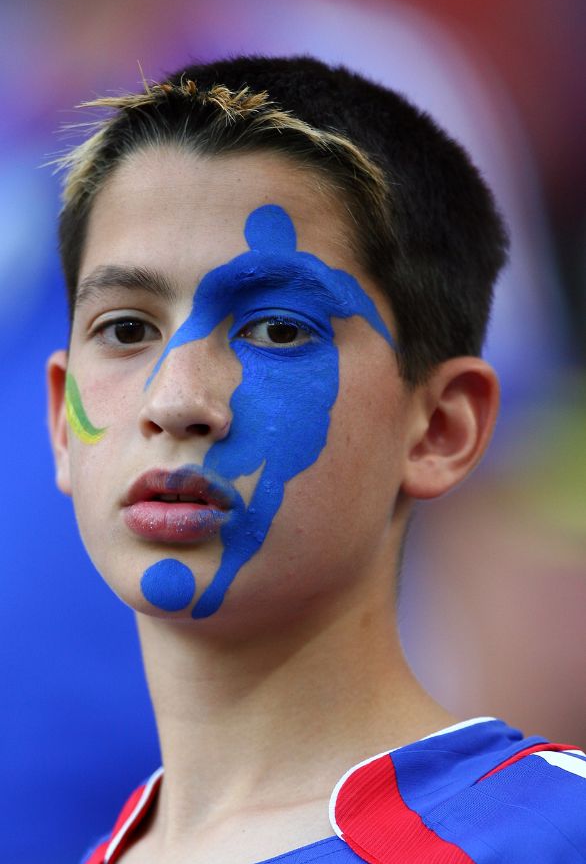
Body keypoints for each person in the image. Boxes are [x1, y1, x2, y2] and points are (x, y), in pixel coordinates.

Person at [47, 56, 586, 863]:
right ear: (62, 420)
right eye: (126, 329)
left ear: (440, 427)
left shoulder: (553, 830)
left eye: (277, 330)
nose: (175, 399)